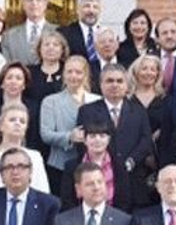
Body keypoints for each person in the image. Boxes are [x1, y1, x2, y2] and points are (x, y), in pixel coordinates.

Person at [77, 63, 153, 198]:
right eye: (109, 81)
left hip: (133, 178)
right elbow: (82, 141)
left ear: (126, 85)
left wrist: (131, 161)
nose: (115, 85)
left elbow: (146, 140)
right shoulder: (87, 111)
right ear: (101, 85)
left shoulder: (138, 110)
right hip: (99, 178)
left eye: (119, 81)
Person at [39, 55, 98, 191]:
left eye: (78, 72)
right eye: (69, 72)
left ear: (85, 75)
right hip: (60, 166)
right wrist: (69, 137)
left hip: (92, 166)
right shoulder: (51, 101)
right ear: (63, 74)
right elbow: (46, 134)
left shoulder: (97, 100)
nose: (73, 76)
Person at [0, 105, 50, 193]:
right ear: (1, 126)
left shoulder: (35, 157)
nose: (18, 123)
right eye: (12, 120)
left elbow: (43, 192)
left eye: (22, 121)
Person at [0, 0, 51, 67]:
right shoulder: (9, 36)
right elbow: (7, 68)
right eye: (29, 0)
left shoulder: (58, 32)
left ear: (45, 4)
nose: (34, 3)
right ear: (23, 5)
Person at [57, 0, 103, 64]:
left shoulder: (104, 34)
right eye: (87, 6)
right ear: (77, 10)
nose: (91, 11)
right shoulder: (64, 34)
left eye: (95, 7)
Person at [30, 29, 70, 101]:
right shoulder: (30, 73)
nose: (51, 48)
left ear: (62, 50)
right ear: (39, 49)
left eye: (56, 45)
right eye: (46, 44)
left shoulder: (69, 72)